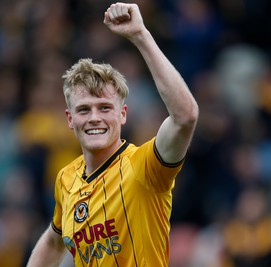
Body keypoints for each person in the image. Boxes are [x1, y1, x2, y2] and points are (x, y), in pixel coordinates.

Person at [26, 2, 199, 266]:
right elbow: (53, 240)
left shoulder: (144, 167)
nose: (94, 117)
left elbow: (185, 117)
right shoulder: (66, 179)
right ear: (70, 120)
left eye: (105, 108)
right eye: (84, 110)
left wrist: (140, 35)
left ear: (123, 114)